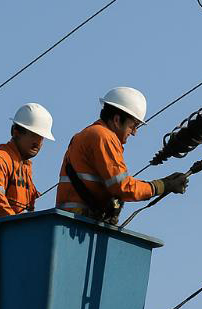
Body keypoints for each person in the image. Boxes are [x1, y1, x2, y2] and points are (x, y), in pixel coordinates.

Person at [55, 86, 187, 223]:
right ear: (117, 120)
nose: (135, 132)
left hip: (71, 220)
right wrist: (162, 185)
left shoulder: (88, 135)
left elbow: (111, 188)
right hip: (77, 223)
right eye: (133, 125)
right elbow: (122, 186)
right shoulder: (103, 136)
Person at [0, 103, 54, 223]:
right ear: (15, 132)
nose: (38, 142)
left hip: (11, 236)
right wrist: (20, 226)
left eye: (41, 137)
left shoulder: (24, 169)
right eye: (33, 134)